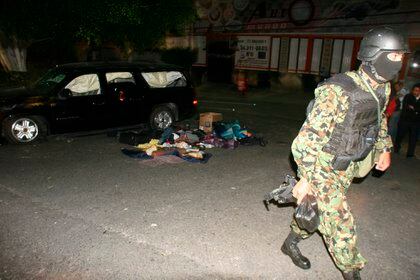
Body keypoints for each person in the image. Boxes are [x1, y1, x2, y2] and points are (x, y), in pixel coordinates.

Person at [281, 26, 409, 280]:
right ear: (374, 55)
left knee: (315, 210)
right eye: (392, 56)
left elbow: (378, 120)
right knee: (341, 224)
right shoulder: (338, 91)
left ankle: (290, 243)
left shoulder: (382, 88)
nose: (397, 63)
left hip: (348, 162)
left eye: (401, 57)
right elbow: (305, 142)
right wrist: (306, 179)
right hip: (321, 167)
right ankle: (352, 273)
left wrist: (384, 148)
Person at [394, 83, 420, 157]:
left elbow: (414, 108)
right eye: (414, 90)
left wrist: (414, 109)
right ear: (412, 90)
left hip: (416, 122)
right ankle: (396, 148)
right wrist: (416, 110)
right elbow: (406, 108)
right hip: (405, 120)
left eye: (418, 91)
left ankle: (410, 154)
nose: (416, 92)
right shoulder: (408, 96)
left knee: (413, 138)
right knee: (400, 135)